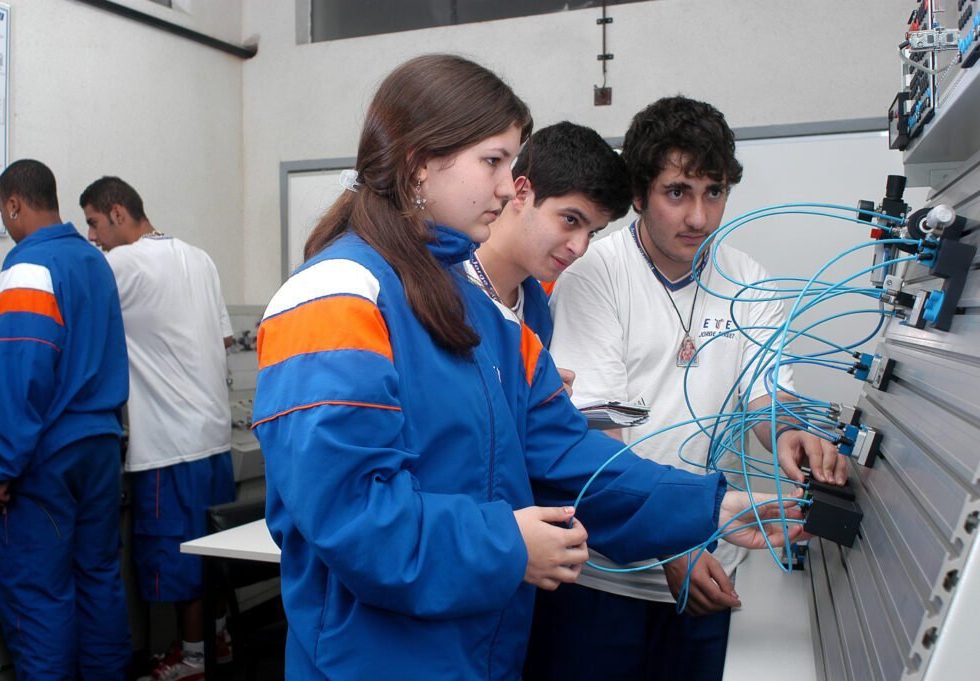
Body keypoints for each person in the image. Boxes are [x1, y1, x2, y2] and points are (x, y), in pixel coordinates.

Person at [252, 55, 803, 680]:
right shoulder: (337, 295)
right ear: (417, 163)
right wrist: (509, 547)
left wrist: (714, 507)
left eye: (510, 164)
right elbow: (354, 517)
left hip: (484, 650)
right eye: (492, 161)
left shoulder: (485, 313)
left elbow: (570, 461)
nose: (504, 186)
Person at [527, 96, 844, 681]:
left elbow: (764, 400)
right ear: (642, 193)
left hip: (712, 563)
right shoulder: (596, 273)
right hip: (604, 575)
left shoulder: (747, 278)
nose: (699, 216)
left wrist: (792, 433)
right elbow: (602, 436)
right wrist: (672, 543)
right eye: (678, 192)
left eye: (714, 192)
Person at [0, 159, 132, 679]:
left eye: (4, 213)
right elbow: (52, 350)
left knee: (41, 597)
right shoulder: (94, 260)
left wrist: (0, 470)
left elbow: (23, 375)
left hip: (46, 459)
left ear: (13, 204)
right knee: (100, 580)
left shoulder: (27, 265)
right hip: (101, 447)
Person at [79, 176, 236, 679]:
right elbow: (225, 341)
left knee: (179, 557)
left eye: (95, 224)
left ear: (119, 213)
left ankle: (191, 660)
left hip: (169, 446)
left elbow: (60, 303)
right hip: (214, 438)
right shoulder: (200, 258)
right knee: (210, 556)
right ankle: (217, 644)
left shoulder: (123, 263)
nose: (93, 238)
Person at [466, 121, 631, 347]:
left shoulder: (542, 309)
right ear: (521, 193)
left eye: (592, 233)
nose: (580, 248)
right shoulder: (436, 283)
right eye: (570, 220)